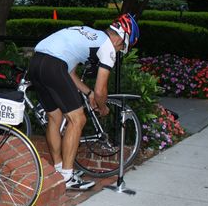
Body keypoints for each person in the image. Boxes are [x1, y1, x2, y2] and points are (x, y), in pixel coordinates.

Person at [28, 13, 140, 191]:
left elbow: (70, 74)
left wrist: (88, 93)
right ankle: (67, 176)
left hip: (36, 62)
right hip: (54, 65)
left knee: (55, 117)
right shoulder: (108, 47)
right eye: (122, 47)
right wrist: (102, 107)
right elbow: (101, 90)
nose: (119, 50)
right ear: (121, 39)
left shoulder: (90, 34)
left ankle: (59, 170)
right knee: (78, 119)